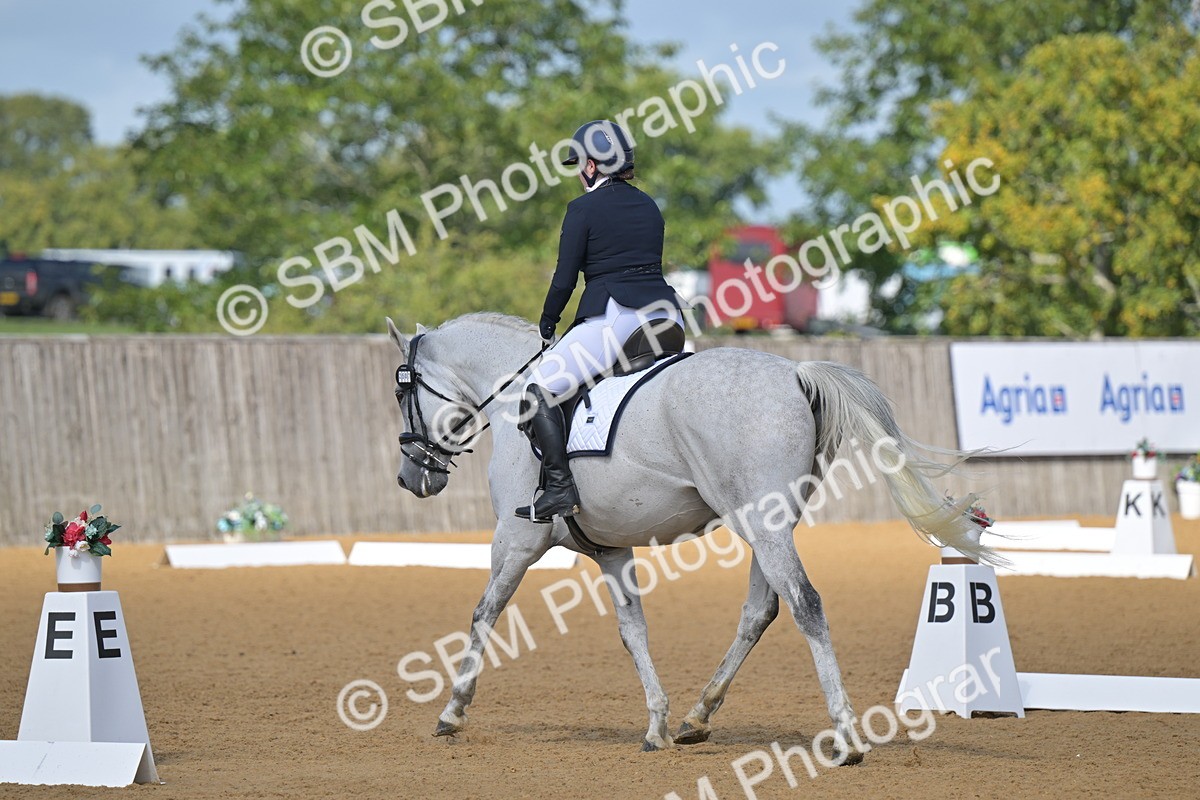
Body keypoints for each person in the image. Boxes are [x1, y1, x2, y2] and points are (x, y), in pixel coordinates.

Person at [515, 120, 684, 524]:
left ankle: (558, 488)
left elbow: (564, 278)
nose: (578, 172)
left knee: (537, 389)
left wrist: (548, 320)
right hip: (667, 315)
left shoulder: (582, 208)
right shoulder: (649, 204)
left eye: (580, 164)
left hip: (617, 317)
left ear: (592, 166)